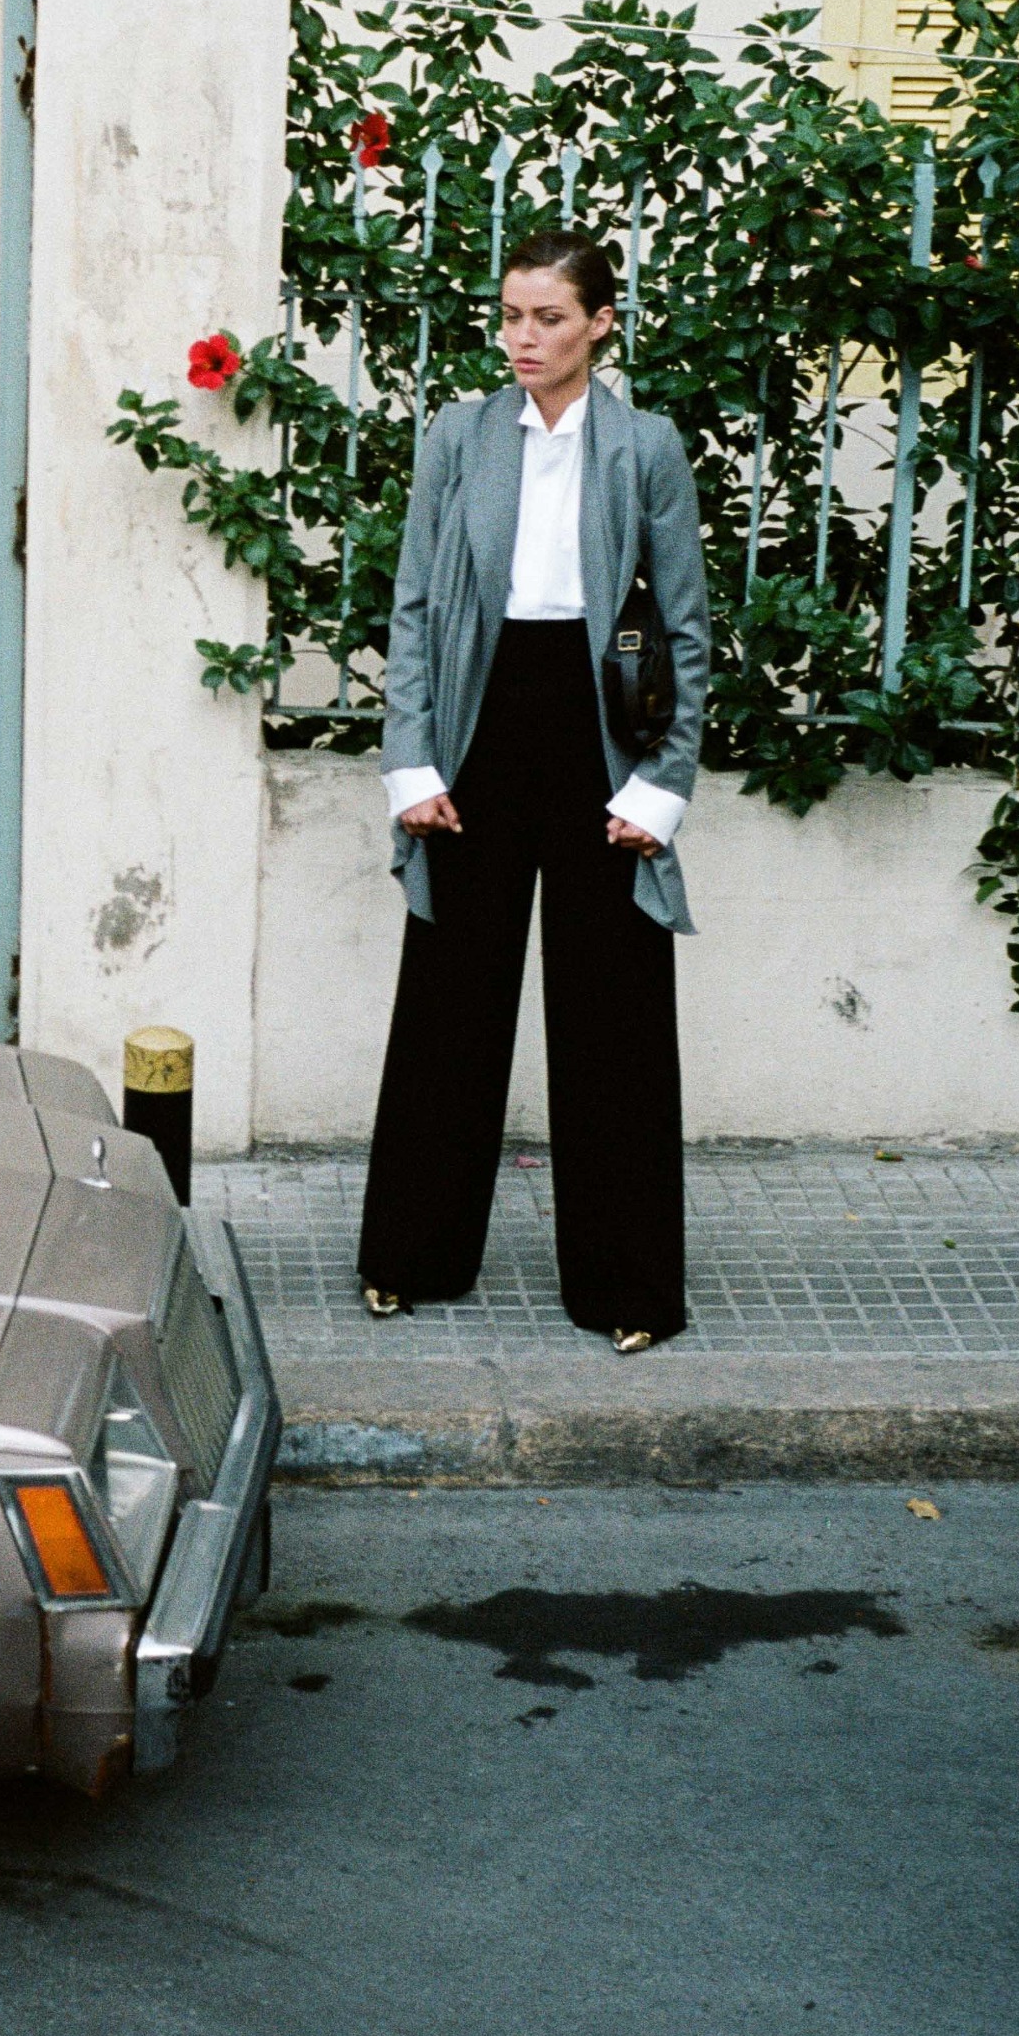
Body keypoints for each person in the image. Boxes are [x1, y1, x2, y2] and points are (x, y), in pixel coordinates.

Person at [357, 230, 708, 1351]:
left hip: (599, 735)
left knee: (614, 1016)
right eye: (511, 315)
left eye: (548, 318)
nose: (523, 337)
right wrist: (412, 763)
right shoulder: (458, 435)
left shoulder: (644, 447)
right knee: (449, 1002)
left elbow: (686, 631)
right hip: (479, 723)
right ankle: (410, 1257)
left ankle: (627, 1290)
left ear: (599, 324)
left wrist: (659, 789)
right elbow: (415, 607)